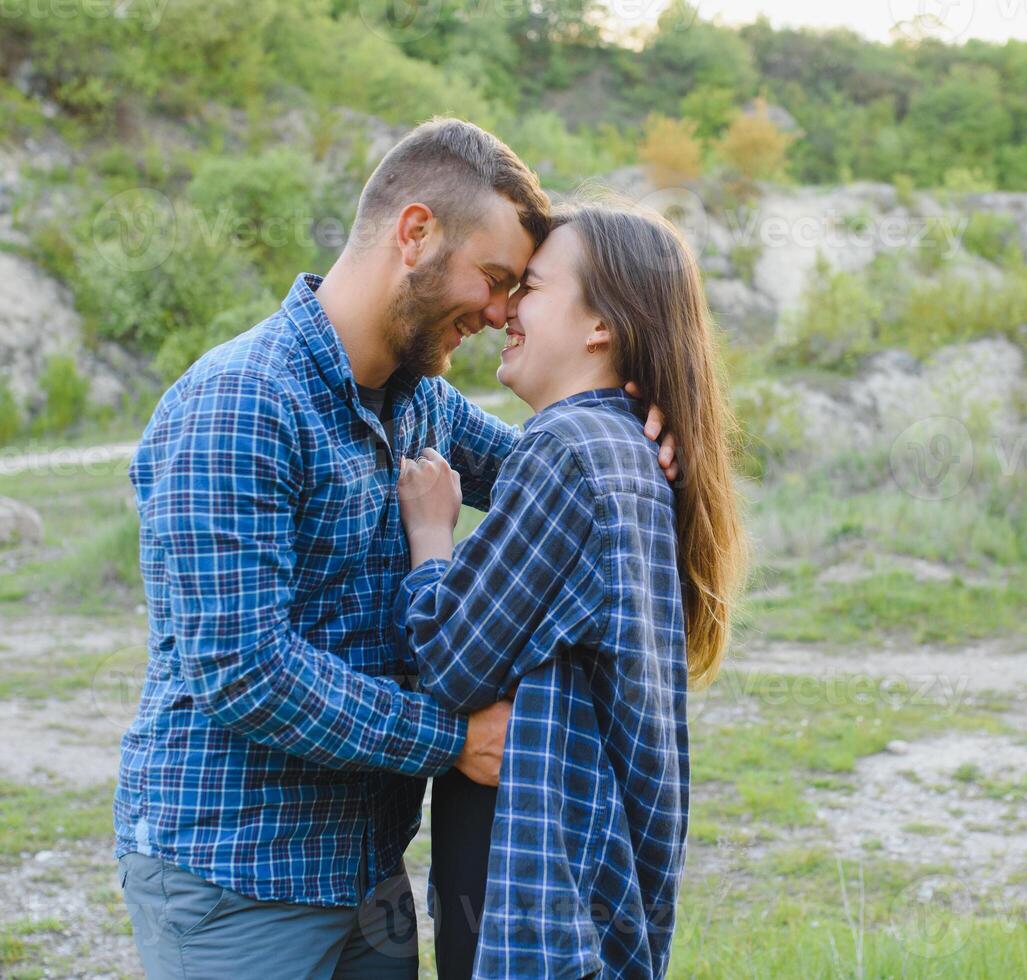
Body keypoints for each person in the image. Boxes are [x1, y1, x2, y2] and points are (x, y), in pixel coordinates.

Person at [114, 119, 679, 979]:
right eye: (493, 280)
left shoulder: (420, 404)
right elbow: (242, 671)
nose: (498, 316)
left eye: (517, 289)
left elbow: (553, 479)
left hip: (368, 875)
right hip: (237, 878)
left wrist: (632, 421)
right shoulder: (241, 404)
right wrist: (451, 739)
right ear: (414, 235)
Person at [394, 201, 748, 978]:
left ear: (601, 327)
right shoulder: (621, 445)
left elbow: (450, 664)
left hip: (526, 869)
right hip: (592, 871)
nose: (506, 309)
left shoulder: (569, 448)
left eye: (532, 287)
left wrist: (429, 537)